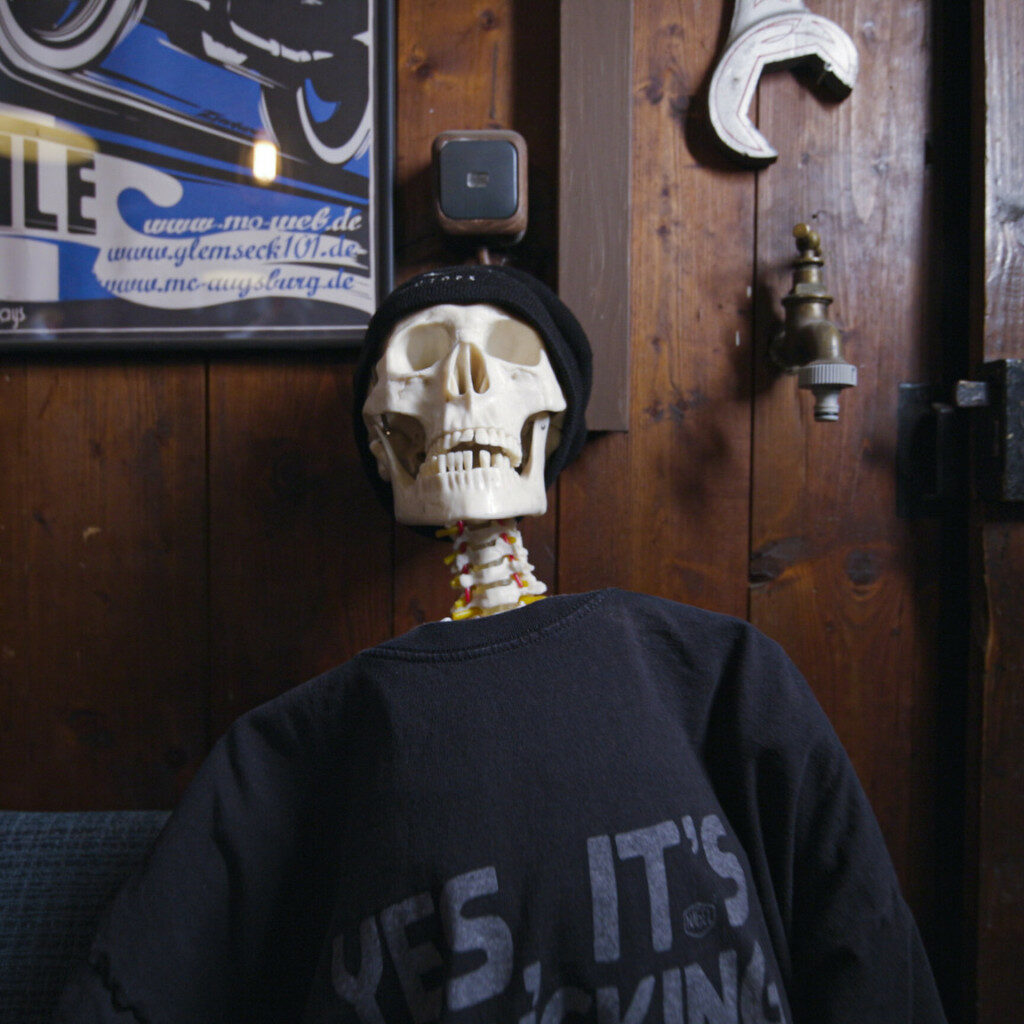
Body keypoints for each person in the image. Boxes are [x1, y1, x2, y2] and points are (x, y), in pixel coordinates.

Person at [56, 267, 947, 1023]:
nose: (465, 386)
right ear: (379, 431)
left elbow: (865, 954)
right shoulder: (286, 754)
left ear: (554, 418)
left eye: (505, 356)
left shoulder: (722, 676)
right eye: (421, 364)